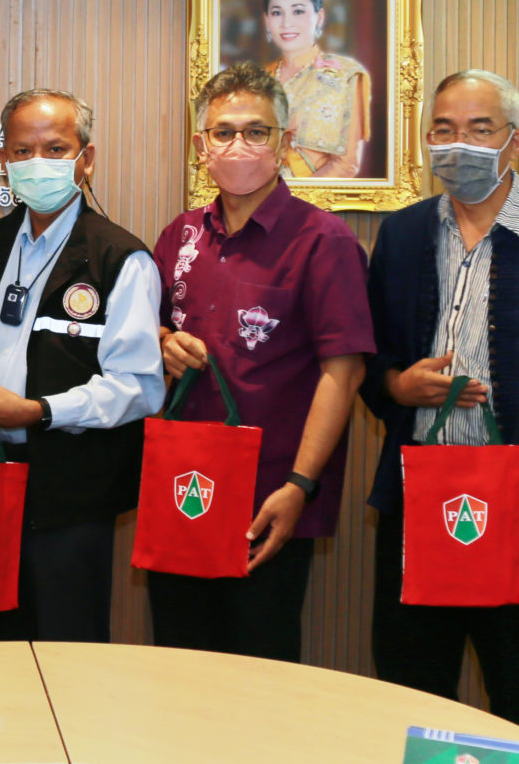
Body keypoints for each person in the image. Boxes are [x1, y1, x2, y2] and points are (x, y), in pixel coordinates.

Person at [360, 69, 519, 739]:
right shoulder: (403, 234)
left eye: (480, 129)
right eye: (444, 129)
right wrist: (397, 385)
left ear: (516, 142)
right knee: (409, 687)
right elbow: (371, 357)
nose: (460, 144)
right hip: (417, 497)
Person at [148, 64, 372, 662]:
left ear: (285, 141)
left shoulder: (323, 241)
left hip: (268, 495)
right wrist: (163, 340)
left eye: (256, 132)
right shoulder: (181, 235)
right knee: (176, 660)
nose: (238, 146)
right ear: (202, 146)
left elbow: (344, 372)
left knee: (258, 668)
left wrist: (300, 485)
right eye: (223, 133)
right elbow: (149, 329)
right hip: (182, 485)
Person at [0, 89, 161, 644]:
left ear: (86, 159)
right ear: (4, 161)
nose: (37, 163)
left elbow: (139, 387)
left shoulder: (121, 257)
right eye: (22, 151)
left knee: (64, 649)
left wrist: (38, 412)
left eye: (55, 149)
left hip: (69, 490)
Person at [258, 0, 373, 179]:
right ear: (266, 20)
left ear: (319, 17)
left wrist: (292, 196)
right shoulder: (257, 79)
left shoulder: (344, 76)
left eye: (298, 11)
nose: (286, 23)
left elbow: (345, 165)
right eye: (276, 13)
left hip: (314, 196)